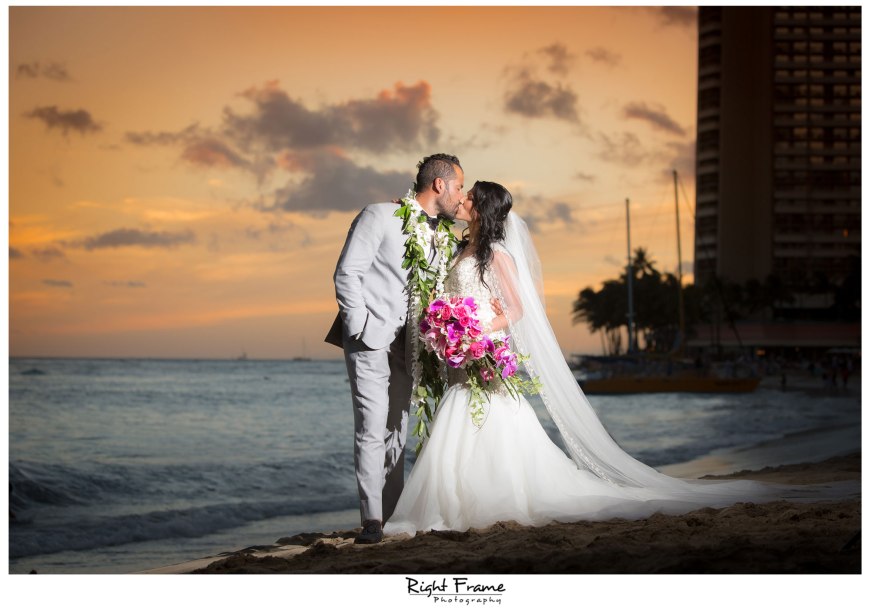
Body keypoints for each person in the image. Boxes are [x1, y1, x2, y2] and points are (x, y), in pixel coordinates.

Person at [384, 181, 796, 537]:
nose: (463, 200)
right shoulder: (463, 248)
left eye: (470, 196)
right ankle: (458, 502)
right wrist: (447, 326)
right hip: (461, 351)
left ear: (482, 208)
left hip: (482, 348)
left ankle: (480, 502)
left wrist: (477, 328)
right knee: (465, 415)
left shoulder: (498, 257)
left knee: (481, 416)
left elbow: (516, 309)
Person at [325, 153, 465, 544]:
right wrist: (361, 327)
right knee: (371, 426)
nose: (461, 195)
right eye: (459, 187)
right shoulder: (379, 216)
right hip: (369, 340)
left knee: (398, 428)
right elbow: (347, 272)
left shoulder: (443, 234)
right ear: (440, 184)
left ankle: (393, 515)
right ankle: (371, 521)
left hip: (414, 345)